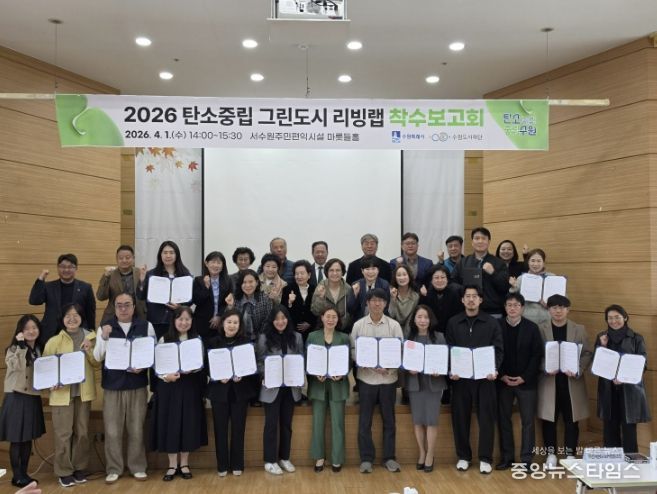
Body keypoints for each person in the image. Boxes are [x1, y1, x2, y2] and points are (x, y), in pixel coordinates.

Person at [93, 292, 156, 483]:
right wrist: (104, 337)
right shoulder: (105, 327)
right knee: (112, 430)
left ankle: (137, 467)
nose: (123, 308)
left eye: (127, 304)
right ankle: (114, 468)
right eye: (119, 305)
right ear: (114, 308)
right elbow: (97, 357)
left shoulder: (146, 326)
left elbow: (153, 353)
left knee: (136, 428)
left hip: (137, 385)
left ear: (134, 307)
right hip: (112, 386)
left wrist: (144, 365)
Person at [446, 285, 503, 474]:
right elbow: (449, 349)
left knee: (486, 419)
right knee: (460, 418)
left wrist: (494, 369)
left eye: (474, 296)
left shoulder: (491, 322)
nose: (471, 299)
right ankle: (463, 456)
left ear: (480, 300)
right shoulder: (454, 322)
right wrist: (451, 370)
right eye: (467, 296)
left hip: (485, 379)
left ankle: (485, 458)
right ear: (462, 300)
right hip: (461, 379)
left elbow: (498, 350)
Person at [43, 303, 100, 487]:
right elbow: (45, 369)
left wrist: (89, 350)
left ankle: (79, 468)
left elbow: (97, 363)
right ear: (62, 319)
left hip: (83, 394)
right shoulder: (54, 341)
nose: (72, 319)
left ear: (82, 317)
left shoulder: (92, 338)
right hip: (61, 395)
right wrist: (51, 383)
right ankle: (64, 471)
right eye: (68, 316)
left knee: (82, 433)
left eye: (76, 315)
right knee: (63, 434)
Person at [350, 288, 404, 474]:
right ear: (367, 303)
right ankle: (366, 459)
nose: (377, 303)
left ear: (386, 303)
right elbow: (353, 350)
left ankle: (389, 458)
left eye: (381, 300)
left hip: (388, 380)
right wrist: (366, 363)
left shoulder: (394, 326)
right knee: (365, 422)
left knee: (389, 421)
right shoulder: (358, 325)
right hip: (366, 380)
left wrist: (389, 368)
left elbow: (400, 351)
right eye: (373, 300)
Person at [151, 306, 207, 481]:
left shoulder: (197, 339)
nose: (184, 322)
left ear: (192, 321)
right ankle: (172, 465)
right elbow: (156, 366)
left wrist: (193, 368)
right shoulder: (164, 339)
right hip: (169, 387)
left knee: (188, 423)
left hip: (190, 386)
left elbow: (201, 363)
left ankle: (184, 463)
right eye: (180, 319)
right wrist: (165, 377)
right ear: (174, 320)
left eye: (187, 319)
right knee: (171, 423)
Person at [537, 295, 592, 468]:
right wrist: (545, 367)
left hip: (571, 381)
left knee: (571, 419)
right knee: (549, 419)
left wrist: (578, 369)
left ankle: (570, 454)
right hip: (549, 380)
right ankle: (551, 455)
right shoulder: (540, 329)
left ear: (568, 309)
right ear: (549, 310)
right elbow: (535, 354)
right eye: (554, 307)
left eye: (562, 307)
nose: (558, 311)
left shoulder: (579, 329)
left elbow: (587, 353)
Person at [206, 309, 257, 477]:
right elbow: (207, 366)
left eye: (235, 322)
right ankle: (222, 465)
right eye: (229, 322)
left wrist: (243, 375)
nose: (232, 325)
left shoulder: (246, 343)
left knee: (238, 429)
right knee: (220, 429)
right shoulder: (213, 342)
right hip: (219, 392)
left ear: (240, 325)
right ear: (223, 324)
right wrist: (217, 377)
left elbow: (251, 368)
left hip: (240, 392)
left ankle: (237, 464)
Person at [495, 293, 543, 470]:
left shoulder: (532, 328)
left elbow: (537, 355)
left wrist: (524, 377)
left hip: (526, 382)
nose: (512, 308)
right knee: (503, 420)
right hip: (503, 381)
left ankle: (527, 459)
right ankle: (507, 457)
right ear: (505, 307)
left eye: (516, 305)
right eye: (509, 305)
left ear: (522, 308)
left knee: (528, 422)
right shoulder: (496, 326)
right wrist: (501, 375)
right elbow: (492, 352)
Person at [595, 305, 650, 453]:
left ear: (625, 317)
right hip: (608, 390)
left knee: (629, 430)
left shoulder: (636, 338)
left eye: (617, 317)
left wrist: (624, 378)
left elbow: (642, 363)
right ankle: (612, 462)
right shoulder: (602, 337)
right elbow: (597, 363)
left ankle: (630, 462)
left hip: (629, 390)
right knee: (609, 428)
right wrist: (603, 346)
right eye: (610, 318)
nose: (613, 321)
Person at [256, 306, 304, 475]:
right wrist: (266, 373)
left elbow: (301, 359)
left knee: (286, 425)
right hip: (271, 388)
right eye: (277, 319)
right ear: (272, 321)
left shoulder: (297, 337)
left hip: (290, 388)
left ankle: (284, 457)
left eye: (283, 318)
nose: (280, 321)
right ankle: (269, 460)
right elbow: (259, 362)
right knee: (271, 425)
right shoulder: (263, 338)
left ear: (288, 319)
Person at [0, 315, 45, 487]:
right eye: (27, 328)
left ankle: (24, 474)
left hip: (32, 397)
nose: (31, 331)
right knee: (17, 439)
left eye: (34, 327)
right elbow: (17, 367)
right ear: (20, 331)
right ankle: (17, 476)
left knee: (27, 438)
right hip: (16, 397)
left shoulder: (39, 349)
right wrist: (20, 346)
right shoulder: (13, 349)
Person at [404, 305, 447, 473]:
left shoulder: (439, 337)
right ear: (414, 320)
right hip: (415, 383)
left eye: (426, 317)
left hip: (433, 384)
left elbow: (445, 360)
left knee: (431, 420)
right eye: (419, 317)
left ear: (431, 320)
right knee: (418, 420)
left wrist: (439, 370)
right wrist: (408, 369)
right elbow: (402, 361)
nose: (423, 320)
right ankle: (422, 452)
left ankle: (430, 454)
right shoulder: (409, 338)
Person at [306, 307, 350, 472]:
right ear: (322, 318)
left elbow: (348, 362)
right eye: (328, 316)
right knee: (318, 422)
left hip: (338, 385)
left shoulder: (344, 337)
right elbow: (307, 359)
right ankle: (319, 457)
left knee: (338, 423)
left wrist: (342, 373)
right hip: (318, 385)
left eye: (334, 317)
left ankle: (337, 459)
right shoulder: (312, 336)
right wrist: (314, 373)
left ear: (338, 320)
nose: (331, 320)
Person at [28, 253, 96, 342]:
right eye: (63, 266)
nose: (66, 270)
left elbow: (90, 312)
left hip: (77, 332)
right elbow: (34, 300)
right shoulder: (49, 286)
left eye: (70, 267)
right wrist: (41, 279)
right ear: (58, 268)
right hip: (51, 333)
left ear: (76, 268)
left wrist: (91, 333)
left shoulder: (85, 287)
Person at [137, 240, 192, 339]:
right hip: (156, 320)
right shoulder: (152, 274)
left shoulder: (185, 274)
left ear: (177, 255)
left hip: (177, 321)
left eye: (171, 252)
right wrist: (142, 280)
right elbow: (141, 296)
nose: (168, 256)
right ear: (160, 255)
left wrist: (180, 307)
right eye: (165, 253)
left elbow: (190, 299)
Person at [451, 227, 508, 318]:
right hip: (468, 310)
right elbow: (452, 282)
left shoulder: (499, 263)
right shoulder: (463, 262)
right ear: (472, 242)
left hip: (492, 312)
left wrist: (493, 273)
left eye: (483, 238)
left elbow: (505, 287)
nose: (480, 241)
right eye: (477, 238)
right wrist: (464, 289)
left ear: (489, 242)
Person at [96, 245, 146, 323]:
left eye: (127, 257)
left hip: (138, 316)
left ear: (133, 258)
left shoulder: (140, 273)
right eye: (121, 258)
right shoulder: (110, 274)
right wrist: (106, 277)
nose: (124, 260)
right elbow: (100, 297)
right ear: (116, 259)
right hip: (114, 316)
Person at [192, 251, 232, 342]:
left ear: (223, 266)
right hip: (202, 323)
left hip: (222, 323)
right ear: (206, 263)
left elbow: (227, 302)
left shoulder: (228, 281)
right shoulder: (198, 280)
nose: (215, 265)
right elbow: (196, 301)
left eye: (219, 263)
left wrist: (219, 316)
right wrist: (206, 288)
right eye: (213, 262)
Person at [509, 248, 554, 326]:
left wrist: (550, 304)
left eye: (539, 261)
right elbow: (513, 300)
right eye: (532, 261)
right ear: (528, 262)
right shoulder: (521, 278)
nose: (535, 264)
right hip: (526, 319)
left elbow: (561, 300)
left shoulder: (552, 277)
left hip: (547, 319)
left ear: (544, 262)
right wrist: (513, 287)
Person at [311, 258, 354, 333]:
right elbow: (315, 311)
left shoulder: (348, 289)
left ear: (342, 272)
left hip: (343, 330)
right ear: (327, 272)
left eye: (338, 270)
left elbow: (350, 312)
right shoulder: (320, 287)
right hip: (323, 329)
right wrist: (320, 297)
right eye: (331, 270)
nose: (334, 273)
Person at [230, 269, 273, 342]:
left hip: (259, 337)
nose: (247, 285)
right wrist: (230, 306)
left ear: (257, 283)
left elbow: (267, 321)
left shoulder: (265, 299)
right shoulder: (235, 299)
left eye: (251, 282)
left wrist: (258, 338)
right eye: (244, 282)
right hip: (238, 337)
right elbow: (229, 320)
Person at [281, 260, 317, 343]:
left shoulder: (314, 289)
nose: (299, 276)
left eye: (302, 273)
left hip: (311, 330)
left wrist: (310, 323)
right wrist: (290, 302)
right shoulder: (287, 289)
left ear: (309, 275)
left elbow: (318, 310)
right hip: (293, 331)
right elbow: (282, 310)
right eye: (296, 274)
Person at [420, 264, 463, 333]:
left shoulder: (457, 291)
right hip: (433, 331)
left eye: (443, 277)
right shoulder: (426, 293)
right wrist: (423, 296)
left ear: (447, 279)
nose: (440, 280)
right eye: (436, 278)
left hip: (454, 329)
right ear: (431, 280)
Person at [348, 256, 390, 322]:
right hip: (360, 322)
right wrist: (355, 295)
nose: (370, 272)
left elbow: (386, 307)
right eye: (367, 269)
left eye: (373, 269)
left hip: (379, 321)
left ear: (378, 270)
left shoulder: (384, 285)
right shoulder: (356, 284)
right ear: (362, 271)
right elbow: (350, 309)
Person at [388, 264, 420, 335]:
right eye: (399, 275)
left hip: (408, 331)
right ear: (395, 278)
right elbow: (391, 315)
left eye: (404, 274)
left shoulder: (415, 296)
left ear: (409, 276)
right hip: (391, 330)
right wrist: (393, 299)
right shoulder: (390, 292)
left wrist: (404, 337)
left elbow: (410, 320)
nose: (402, 278)